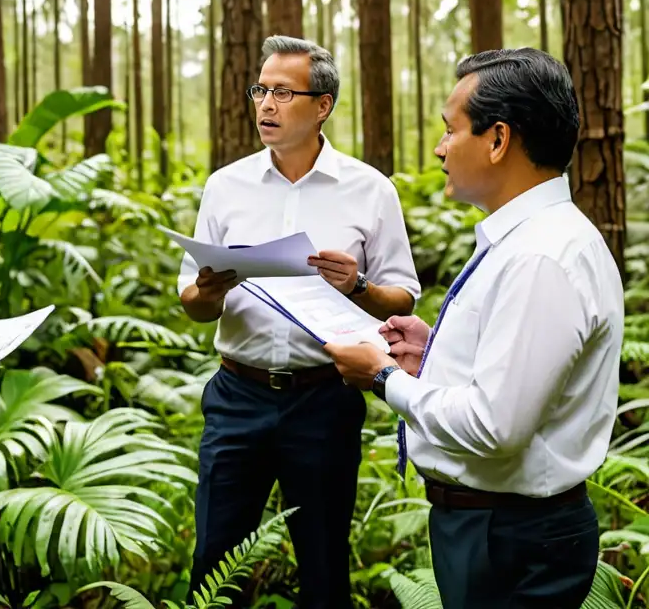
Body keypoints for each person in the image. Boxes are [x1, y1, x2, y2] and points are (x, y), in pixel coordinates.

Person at [325, 48, 623, 608]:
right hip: (498, 527)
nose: (439, 148)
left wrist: (385, 378)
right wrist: (432, 352)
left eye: (450, 130)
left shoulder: (542, 257)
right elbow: (519, 376)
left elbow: (495, 425)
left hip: (511, 537)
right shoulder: (531, 240)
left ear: (498, 139)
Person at [177, 36, 421, 608]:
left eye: (283, 92)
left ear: (323, 106)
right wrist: (209, 291)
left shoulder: (370, 189)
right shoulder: (225, 186)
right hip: (237, 393)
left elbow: (403, 298)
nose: (265, 104)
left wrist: (356, 285)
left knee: (324, 563)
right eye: (260, 90)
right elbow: (192, 302)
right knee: (214, 559)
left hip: (324, 399)